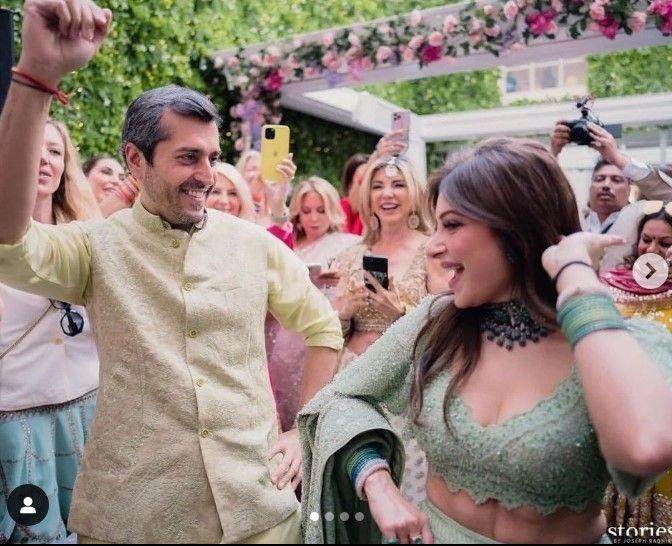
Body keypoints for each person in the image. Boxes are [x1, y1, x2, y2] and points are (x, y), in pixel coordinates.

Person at [0, 1, 341, 542]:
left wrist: (303, 430)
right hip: (132, 520)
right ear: (135, 161)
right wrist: (36, 77)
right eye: (188, 158)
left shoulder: (254, 245)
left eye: (212, 156)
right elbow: (7, 238)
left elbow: (324, 328)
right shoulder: (94, 247)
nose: (207, 175)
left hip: (261, 513)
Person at [299, 138, 672, 544]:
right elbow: (341, 399)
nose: (434, 245)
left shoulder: (625, 341)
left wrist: (575, 274)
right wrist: (376, 480)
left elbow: (644, 449)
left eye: (451, 224)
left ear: (516, 227)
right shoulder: (436, 321)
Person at [0, 118, 99, 544]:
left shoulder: (89, 236)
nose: (44, 159)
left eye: (55, 151)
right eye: (33, 147)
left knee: (92, 525)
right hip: (18, 419)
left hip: (87, 412)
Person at [600, 201, 672, 536]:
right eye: (646, 240)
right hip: (616, 422)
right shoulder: (609, 287)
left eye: (665, 243)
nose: (652, 250)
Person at [267, 176, 360, 432]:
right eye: (306, 211)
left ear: (332, 210)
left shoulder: (349, 244)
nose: (314, 218)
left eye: (321, 210)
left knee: (320, 404)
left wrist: (341, 280)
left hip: (327, 333)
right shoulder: (288, 244)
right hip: (284, 339)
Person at [550, 120, 672, 234]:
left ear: (629, 189)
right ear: (590, 187)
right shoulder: (572, 220)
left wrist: (619, 160)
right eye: (600, 179)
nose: (606, 185)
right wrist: (552, 154)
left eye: (616, 180)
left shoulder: (640, 221)